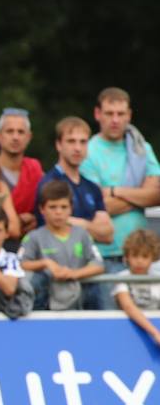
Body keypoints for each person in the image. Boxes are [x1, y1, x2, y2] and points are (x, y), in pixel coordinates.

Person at [82, 87, 160, 273]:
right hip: (104, 255)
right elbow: (98, 207)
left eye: (120, 114)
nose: (115, 120)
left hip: (142, 255)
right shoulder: (87, 151)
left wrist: (115, 191)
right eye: (109, 113)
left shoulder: (141, 149)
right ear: (97, 114)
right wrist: (139, 196)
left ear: (129, 115)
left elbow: (156, 196)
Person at [19, 180, 105, 311]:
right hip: (47, 304)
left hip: (79, 302)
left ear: (71, 208)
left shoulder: (82, 234)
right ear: (42, 209)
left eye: (64, 207)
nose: (58, 212)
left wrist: (74, 273)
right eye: (52, 207)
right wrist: (45, 263)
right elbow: (21, 263)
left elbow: (98, 264)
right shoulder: (33, 237)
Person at [38, 116, 113, 248]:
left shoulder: (92, 187)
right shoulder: (49, 183)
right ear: (59, 145)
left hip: (88, 263)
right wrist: (92, 226)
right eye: (71, 141)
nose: (77, 148)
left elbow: (108, 235)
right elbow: (52, 226)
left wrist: (75, 222)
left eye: (83, 142)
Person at [0, 107, 43, 234]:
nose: (15, 137)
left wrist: (34, 218)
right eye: (9, 131)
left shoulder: (35, 169)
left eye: (21, 132)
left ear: (29, 137)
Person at [112, 229, 160, 347]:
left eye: (145, 256)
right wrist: (154, 332)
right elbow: (128, 306)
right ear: (127, 256)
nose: (139, 261)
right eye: (135, 255)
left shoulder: (157, 278)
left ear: (152, 257)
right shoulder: (121, 278)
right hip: (126, 333)